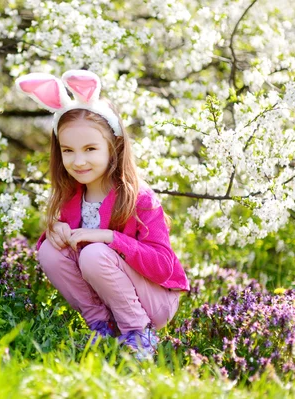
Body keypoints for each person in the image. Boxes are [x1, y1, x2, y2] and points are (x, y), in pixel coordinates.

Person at [15, 70, 190, 359]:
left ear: (114, 147)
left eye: (90, 149)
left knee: (94, 253)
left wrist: (110, 237)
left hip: (153, 301)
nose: (78, 161)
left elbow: (164, 265)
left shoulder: (139, 197)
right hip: (110, 300)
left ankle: (140, 334)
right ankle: (102, 326)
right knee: (49, 250)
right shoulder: (71, 197)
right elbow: (66, 256)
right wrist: (57, 232)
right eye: (68, 150)